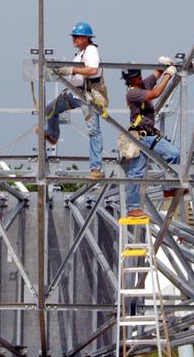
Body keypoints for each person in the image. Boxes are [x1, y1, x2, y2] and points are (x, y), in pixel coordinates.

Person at [42, 22, 107, 178]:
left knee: (93, 131)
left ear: (86, 38)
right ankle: (53, 134)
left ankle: (96, 168)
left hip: (88, 96)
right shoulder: (80, 53)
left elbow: (92, 70)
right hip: (76, 93)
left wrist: (71, 69)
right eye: (74, 37)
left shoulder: (91, 50)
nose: (74, 39)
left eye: (77, 37)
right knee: (50, 109)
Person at [120, 59, 181, 217]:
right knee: (136, 172)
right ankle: (133, 208)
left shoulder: (142, 84)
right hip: (140, 137)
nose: (139, 77)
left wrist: (163, 66)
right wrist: (169, 74)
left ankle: (169, 188)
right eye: (135, 76)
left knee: (173, 154)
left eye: (139, 74)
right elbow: (155, 93)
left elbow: (155, 75)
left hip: (150, 135)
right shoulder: (133, 93)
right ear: (129, 80)